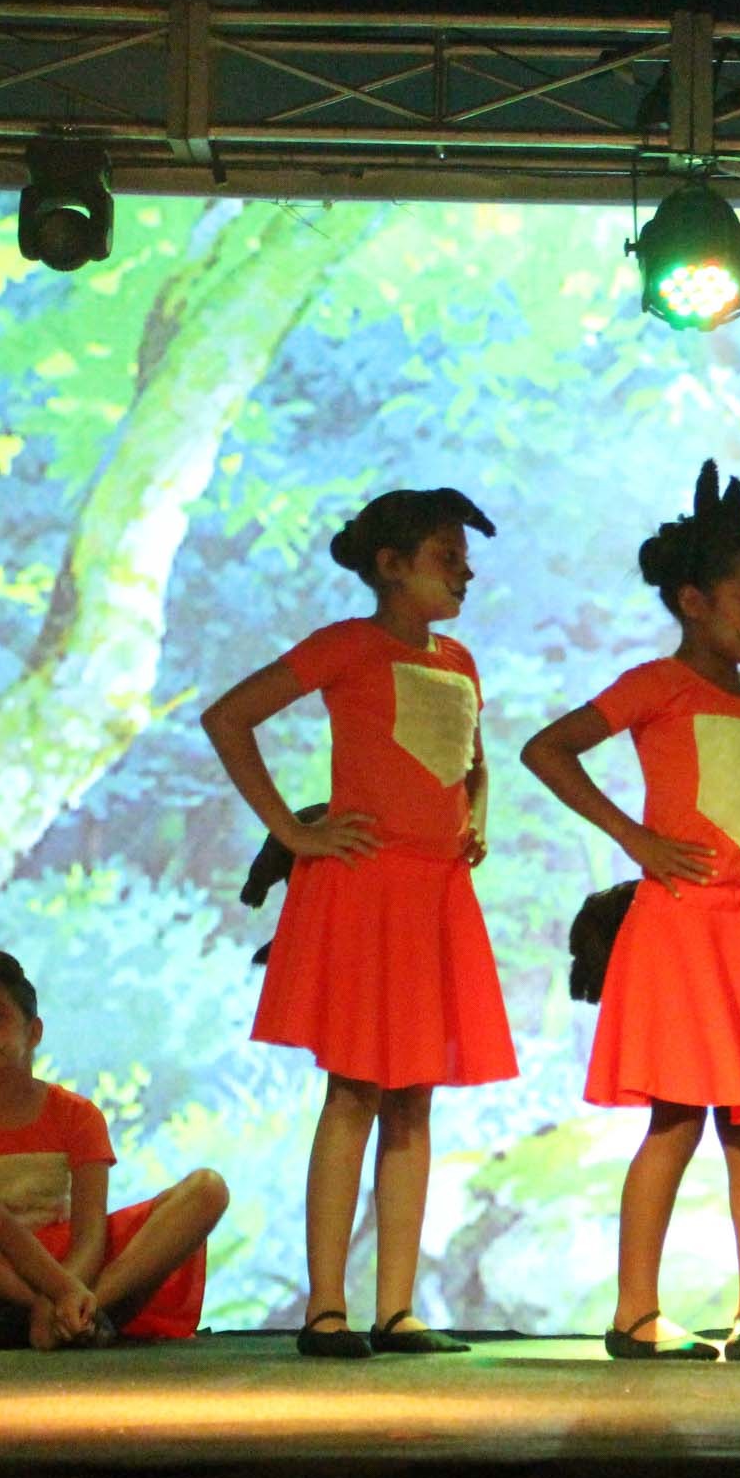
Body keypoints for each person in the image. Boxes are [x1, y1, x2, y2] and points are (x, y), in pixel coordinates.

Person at [520, 461, 740, 1364]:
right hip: (679, 923)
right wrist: (638, 839)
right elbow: (548, 749)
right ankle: (634, 1310)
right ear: (694, 600)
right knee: (672, 1117)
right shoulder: (655, 686)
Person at [201, 487, 517, 1359]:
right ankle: (327, 1308)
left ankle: (398, 1307)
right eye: (447, 557)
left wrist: (475, 816)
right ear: (392, 565)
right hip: (365, 889)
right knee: (354, 1090)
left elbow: (472, 763)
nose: (465, 571)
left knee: (414, 1097)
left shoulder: (460, 661)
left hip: (434, 895)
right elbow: (229, 718)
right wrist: (293, 831)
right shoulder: (347, 646)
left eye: (464, 557)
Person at [0, 951, 225, 1349]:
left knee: (208, 1189)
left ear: (33, 1032)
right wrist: (52, 1296)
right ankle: (61, 1313)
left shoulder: (78, 1115)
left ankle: (83, 1313)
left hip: (73, 1272)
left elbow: (91, 1234)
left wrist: (72, 1292)